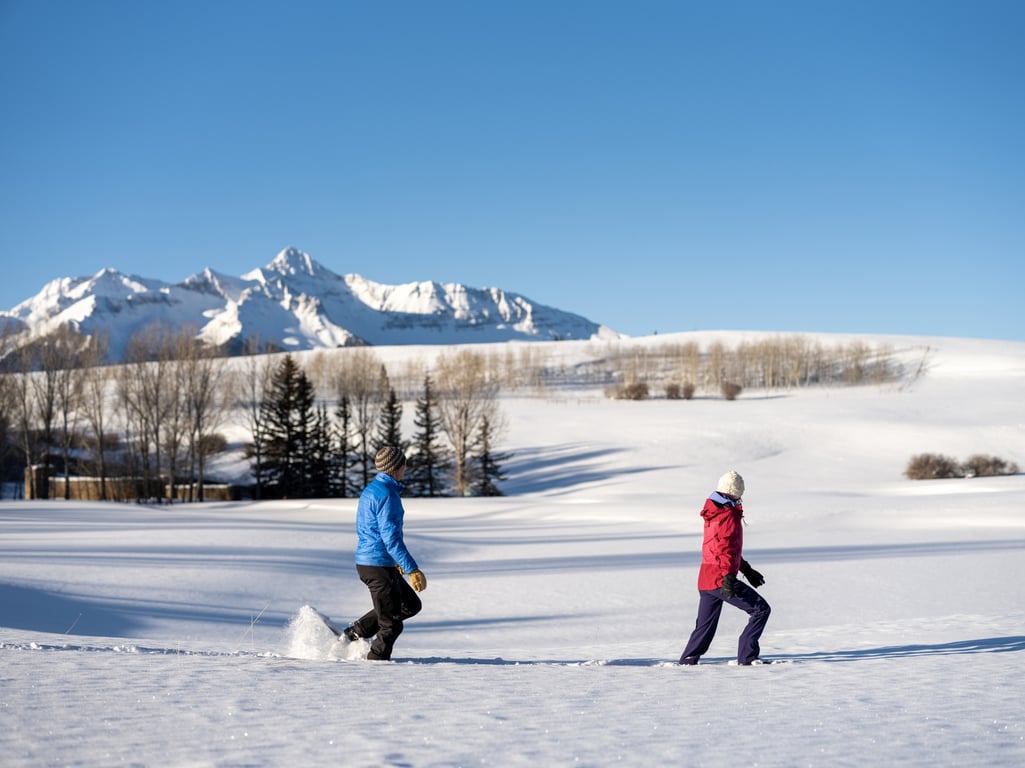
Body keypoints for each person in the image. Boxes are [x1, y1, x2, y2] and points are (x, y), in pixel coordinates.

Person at [343, 446, 427, 661]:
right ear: (397, 468)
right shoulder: (388, 495)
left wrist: (394, 561)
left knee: (410, 605)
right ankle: (377, 663)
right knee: (391, 625)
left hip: (373, 562)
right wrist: (412, 569)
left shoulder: (373, 489)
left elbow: (374, 530)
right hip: (377, 564)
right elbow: (391, 538)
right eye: (404, 465)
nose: (405, 468)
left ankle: (355, 633)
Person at [679, 470, 771, 666]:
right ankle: (748, 657)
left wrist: (745, 568)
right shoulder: (728, 514)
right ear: (736, 491)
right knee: (761, 610)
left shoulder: (715, 511)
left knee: (704, 627)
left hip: (706, 577)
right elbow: (725, 547)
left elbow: (723, 547)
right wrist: (729, 576)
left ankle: (687, 661)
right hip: (721, 577)